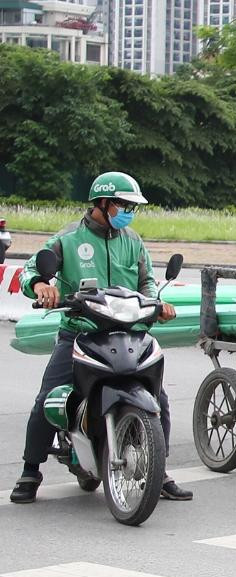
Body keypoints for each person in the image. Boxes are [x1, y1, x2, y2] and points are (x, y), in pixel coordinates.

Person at [10, 172, 191, 503]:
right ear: (102, 203)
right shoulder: (69, 239)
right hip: (81, 332)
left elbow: (146, 281)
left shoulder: (132, 241)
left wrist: (158, 303)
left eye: (131, 206)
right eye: (123, 205)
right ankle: (30, 470)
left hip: (128, 332)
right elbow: (32, 270)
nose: (128, 212)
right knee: (48, 398)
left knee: (159, 399)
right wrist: (41, 286)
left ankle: (158, 471)